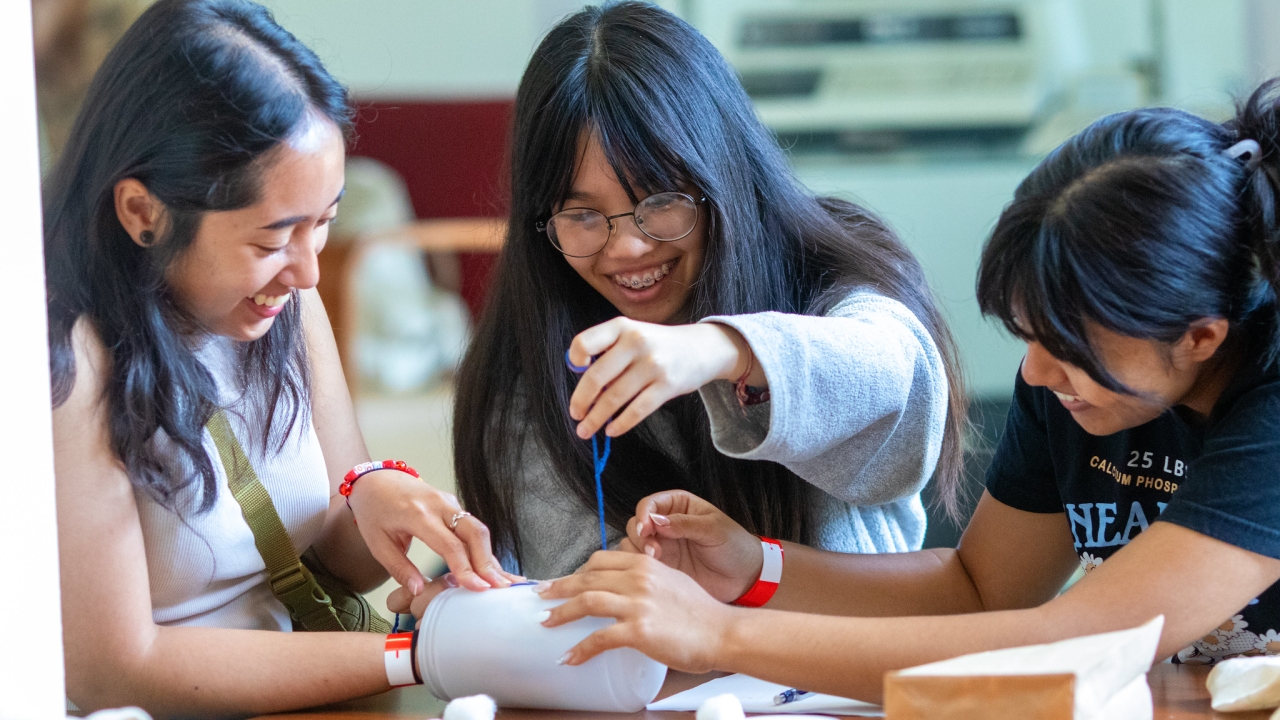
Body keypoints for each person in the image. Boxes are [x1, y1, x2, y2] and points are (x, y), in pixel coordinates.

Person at [530, 81, 1280, 702]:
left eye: (1070, 350)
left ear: (1201, 338)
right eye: (1029, 336)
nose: (1036, 375)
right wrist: (755, 569)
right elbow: (981, 587)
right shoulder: (1071, 390)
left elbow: (1082, 641)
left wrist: (718, 632)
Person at [47, 1, 512, 715]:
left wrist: (377, 496)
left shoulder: (287, 300)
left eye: (324, 223)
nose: (306, 273)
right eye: (271, 240)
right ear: (143, 212)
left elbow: (340, 566)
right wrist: (415, 654)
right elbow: (110, 669)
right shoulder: (70, 357)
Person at [448, 1, 967, 581]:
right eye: (582, 216)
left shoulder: (831, 267)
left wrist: (722, 349)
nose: (627, 248)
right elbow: (567, 595)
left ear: (724, 174)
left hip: (848, 663)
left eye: (661, 202)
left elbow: (904, 381)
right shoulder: (531, 368)